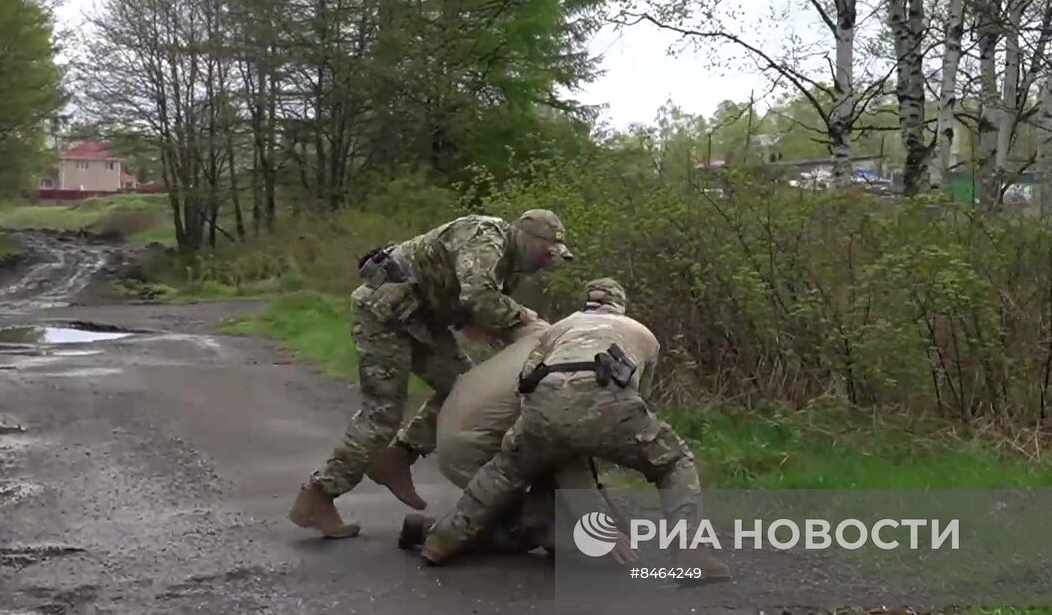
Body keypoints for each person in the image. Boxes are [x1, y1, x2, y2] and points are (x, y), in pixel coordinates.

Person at [418, 278, 729, 583]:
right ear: (619, 305)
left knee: (501, 473)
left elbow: (527, 379)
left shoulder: (558, 328)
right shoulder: (640, 332)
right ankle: (689, 555)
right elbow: (639, 397)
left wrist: (537, 430)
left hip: (542, 404)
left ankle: (442, 540)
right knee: (674, 461)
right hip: (607, 400)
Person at [288, 210, 572, 538]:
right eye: (546, 253)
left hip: (420, 318)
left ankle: (399, 456)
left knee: (463, 388)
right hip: (384, 313)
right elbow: (478, 296)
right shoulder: (487, 238)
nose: (546, 263)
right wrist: (531, 323)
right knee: (381, 414)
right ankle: (318, 495)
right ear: (527, 239)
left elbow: (474, 309)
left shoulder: (508, 265)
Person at [396, 311, 622, 557]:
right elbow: (568, 461)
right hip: (474, 450)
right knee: (545, 532)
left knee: (557, 496)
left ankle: (457, 526)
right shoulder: (569, 378)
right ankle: (436, 531)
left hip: (458, 429)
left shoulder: (543, 333)